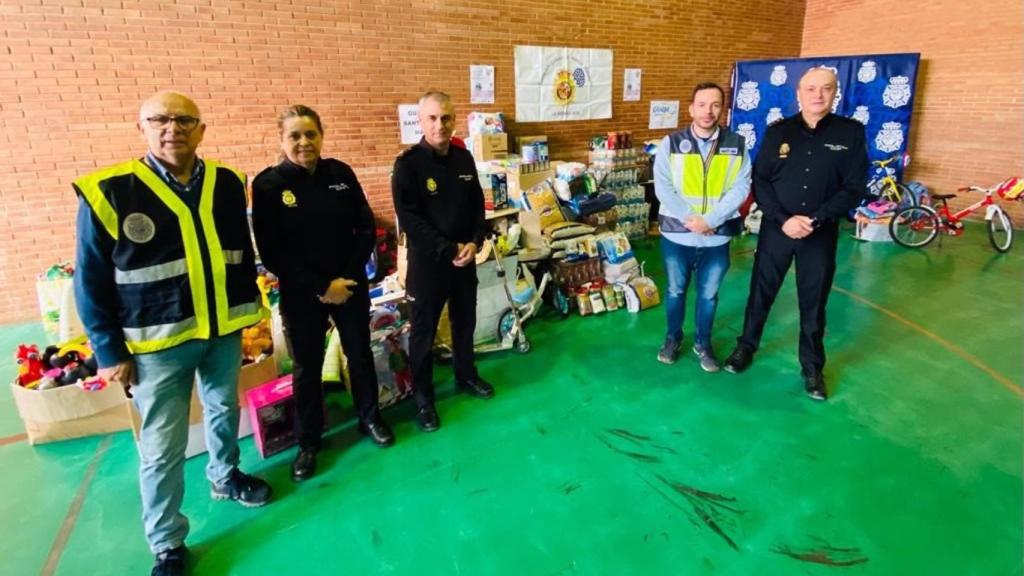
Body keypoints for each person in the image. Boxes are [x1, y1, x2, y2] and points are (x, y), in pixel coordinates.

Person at [73, 91, 271, 576]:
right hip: (156, 344)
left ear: (201, 129)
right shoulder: (111, 190)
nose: (172, 128)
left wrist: (251, 313)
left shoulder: (227, 182)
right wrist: (107, 349)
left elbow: (238, 250)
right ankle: (167, 543)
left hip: (222, 330)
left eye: (184, 120)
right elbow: (90, 276)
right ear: (141, 127)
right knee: (163, 446)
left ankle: (225, 477)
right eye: (159, 119)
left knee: (224, 408)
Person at [251, 105, 394, 483]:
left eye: (310, 134)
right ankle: (309, 442)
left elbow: (365, 229)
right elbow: (271, 253)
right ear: (281, 140)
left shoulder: (340, 174)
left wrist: (344, 280)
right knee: (307, 368)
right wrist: (320, 287)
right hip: (302, 295)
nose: (303, 142)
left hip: (349, 287)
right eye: (294, 135)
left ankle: (369, 417)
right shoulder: (268, 185)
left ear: (321, 135)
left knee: (360, 354)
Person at [722, 67, 868, 400]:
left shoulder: (851, 134)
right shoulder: (778, 132)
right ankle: (746, 346)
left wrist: (816, 218)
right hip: (777, 229)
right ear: (798, 94)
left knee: (813, 302)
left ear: (836, 94)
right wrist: (782, 218)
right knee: (761, 293)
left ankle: (812, 368)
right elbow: (761, 180)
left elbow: (854, 187)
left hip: (819, 233)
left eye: (826, 89)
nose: (818, 95)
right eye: (811, 88)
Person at [391, 90, 493, 432]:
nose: (440, 125)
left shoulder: (464, 161)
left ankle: (466, 376)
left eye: (446, 117)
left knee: (465, 325)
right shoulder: (407, 166)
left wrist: (475, 242)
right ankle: (424, 400)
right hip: (428, 268)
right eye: (432, 118)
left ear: (454, 119)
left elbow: (479, 207)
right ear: (420, 121)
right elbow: (410, 221)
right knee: (423, 335)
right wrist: (450, 249)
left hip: (464, 263)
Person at [653, 82, 751, 372]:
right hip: (677, 234)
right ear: (691, 108)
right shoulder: (671, 143)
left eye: (715, 105)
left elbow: (741, 187)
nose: (708, 111)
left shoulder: (737, 144)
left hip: (716, 238)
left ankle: (703, 344)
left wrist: (711, 220)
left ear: (723, 108)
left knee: (708, 296)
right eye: (702, 105)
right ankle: (672, 339)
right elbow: (663, 187)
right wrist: (693, 219)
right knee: (674, 292)